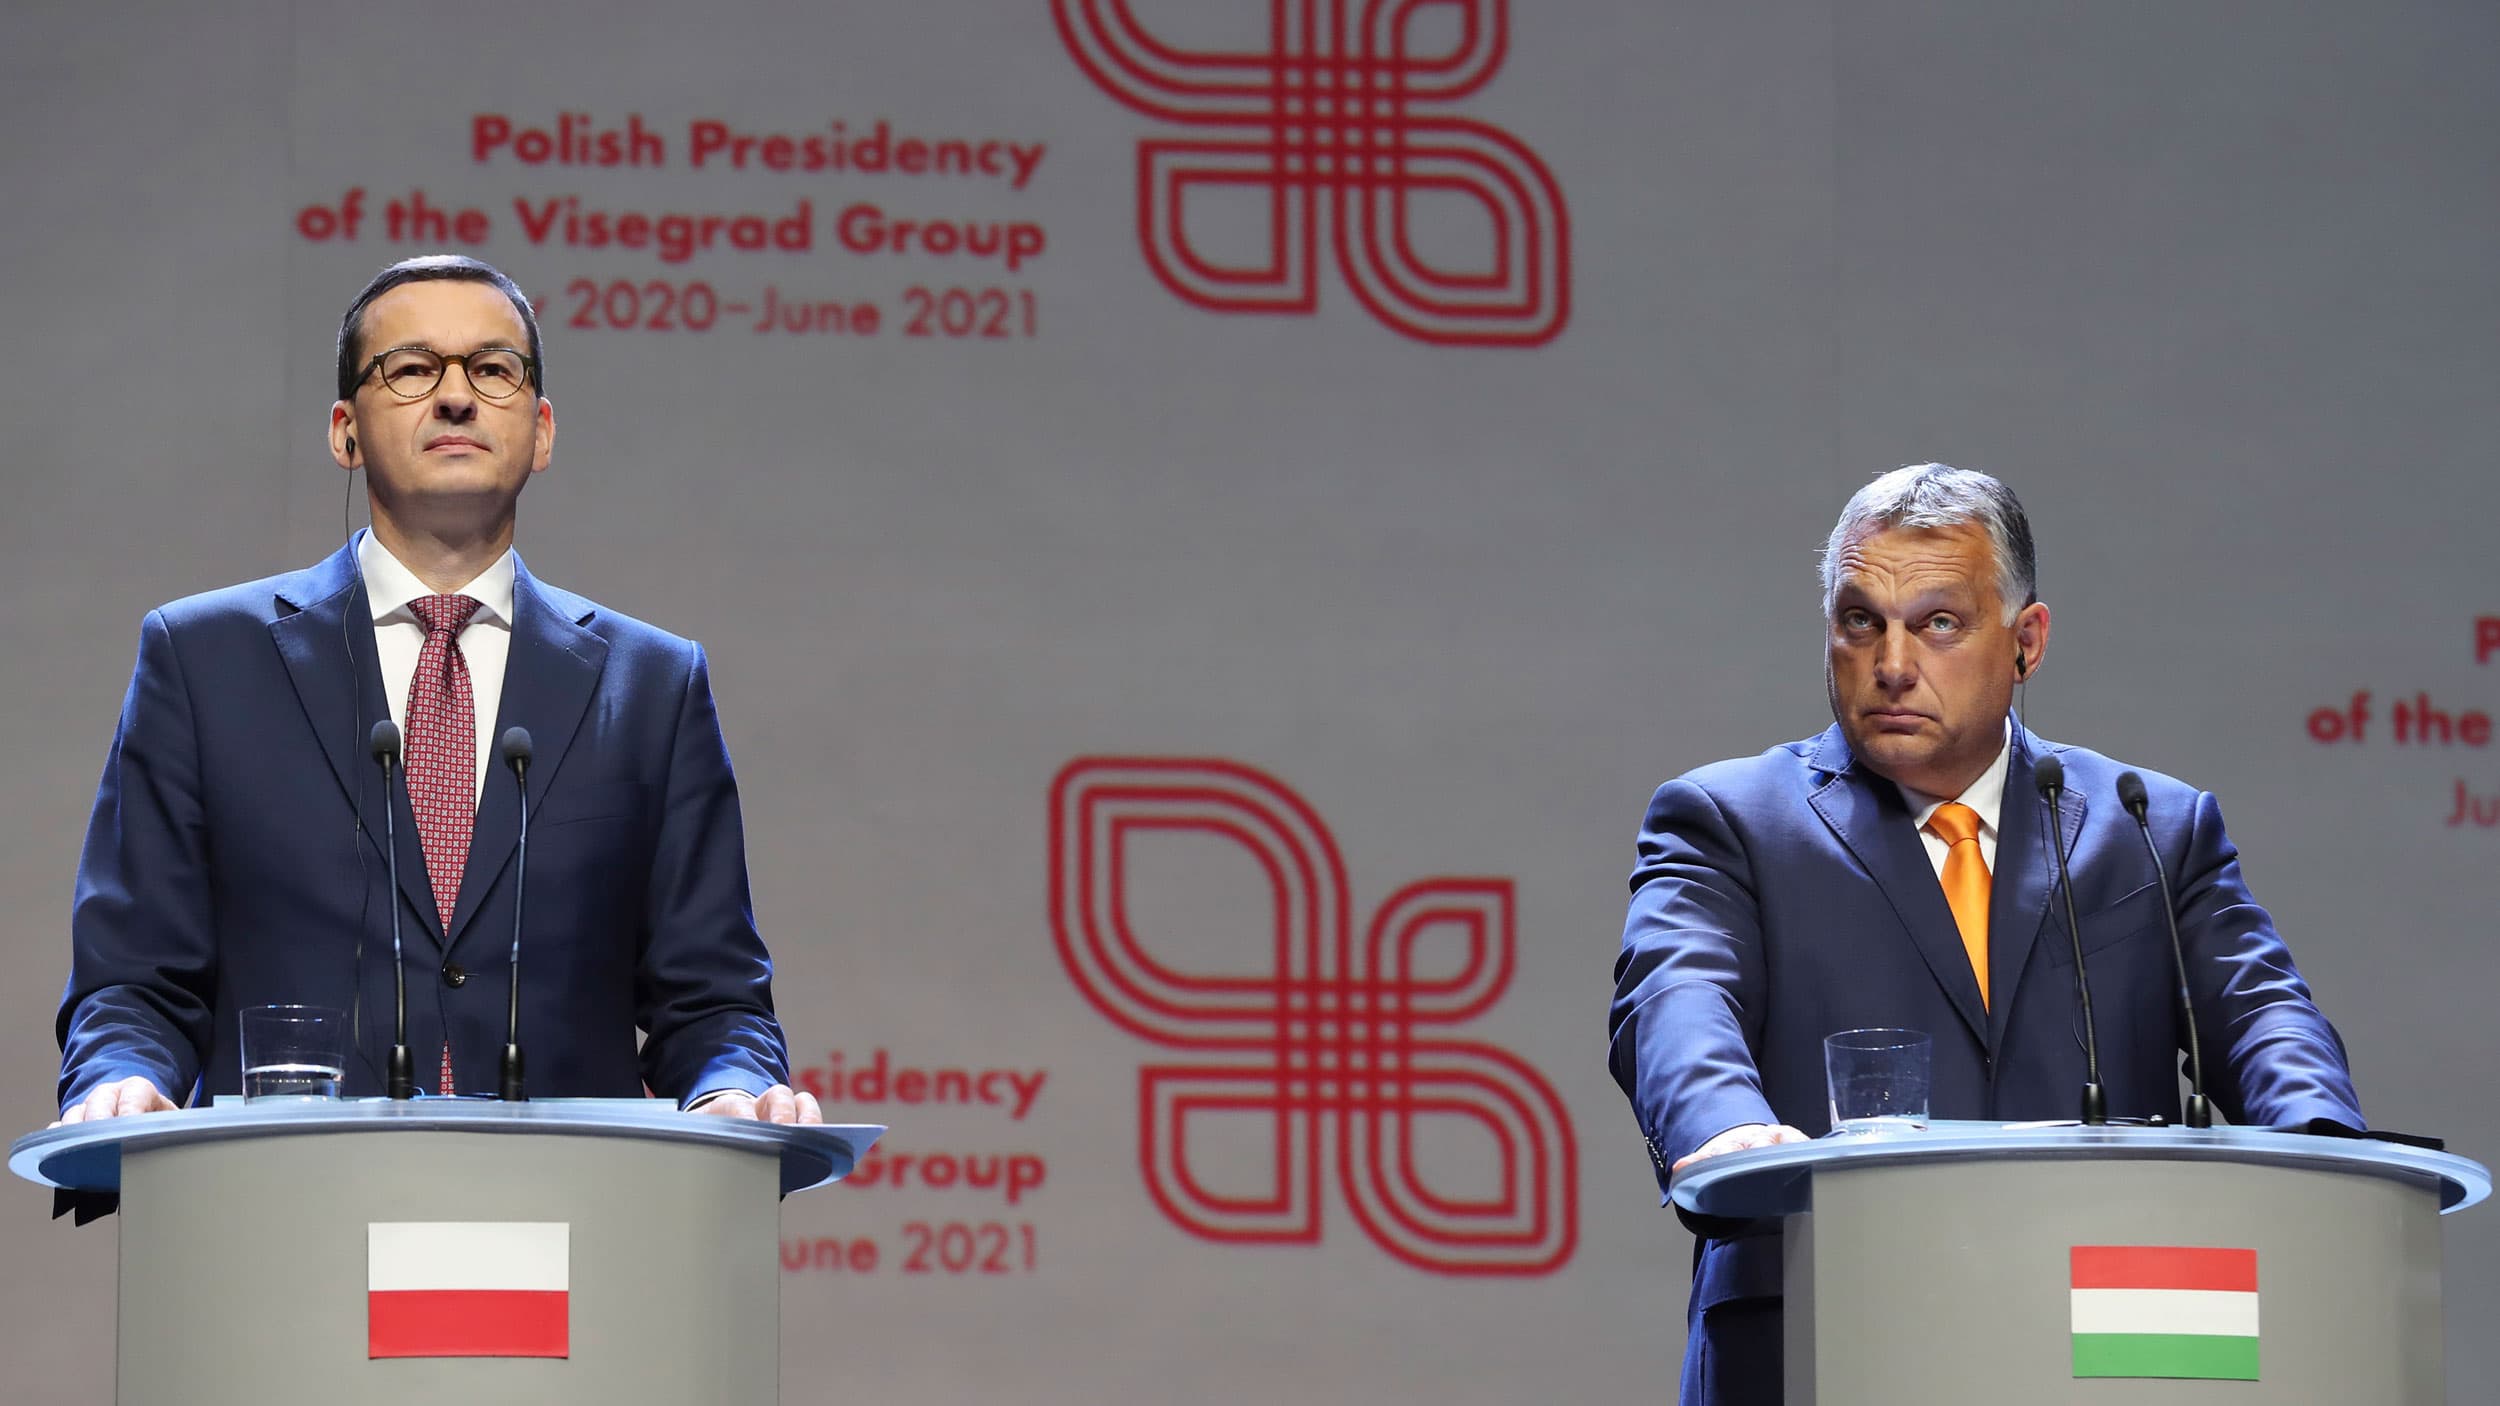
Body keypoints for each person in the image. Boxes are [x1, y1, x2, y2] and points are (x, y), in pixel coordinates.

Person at [1606, 463, 2361, 1406]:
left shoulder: (2149, 828)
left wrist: (2329, 1158)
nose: (1891, 664)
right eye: (1860, 622)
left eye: (1938, 624)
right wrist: (1723, 1127)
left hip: (2108, 1342)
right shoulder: (1731, 821)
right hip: (1829, 1332)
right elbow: (1675, 997)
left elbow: (2262, 1016)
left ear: (2026, 641)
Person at [55, 254, 821, 1139]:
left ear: (542, 432)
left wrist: (731, 1090)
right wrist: (121, 1081)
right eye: (413, 369)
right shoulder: (203, 661)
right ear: (345, 432)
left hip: (570, 1206)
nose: (456, 397)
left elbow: (714, 1001)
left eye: (493, 369)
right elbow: (134, 983)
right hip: (289, 1194)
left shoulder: (651, 684)